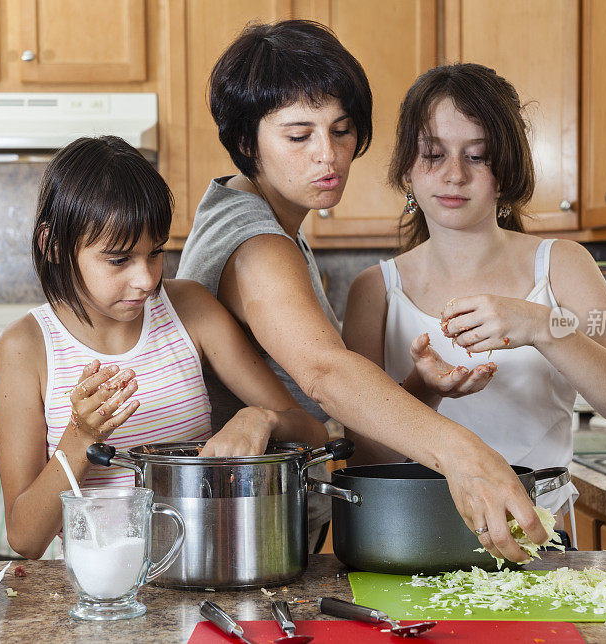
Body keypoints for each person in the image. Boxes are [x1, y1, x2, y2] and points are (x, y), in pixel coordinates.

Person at [176, 19, 547, 562]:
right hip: (243, 539)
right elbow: (325, 373)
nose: (327, 154)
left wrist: (418, 390)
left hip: (255, 530)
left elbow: (328, 416)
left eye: (342, 130)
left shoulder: (247, 213)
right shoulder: (257, 243)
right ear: (244, 141)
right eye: (299, 135)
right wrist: (463, 454)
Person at [341, 63, 606, 535]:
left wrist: (539, 326)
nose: (454, 176)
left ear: (507, 170)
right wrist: (425, 387)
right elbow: (365, 457)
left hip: (541, 534)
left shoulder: (563, 264)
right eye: (433, 153)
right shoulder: (374, 290)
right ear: (407, 168)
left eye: (478, 156)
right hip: (413, 534)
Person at [0, 136, 328, 560]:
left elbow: (312, 431)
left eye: (155, 253)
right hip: (96, 587)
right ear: (52, 245)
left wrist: (259, 418)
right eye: (118, 260)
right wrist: (82, 438)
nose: (147, 280)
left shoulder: (190, 310)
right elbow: (25, 538)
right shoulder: (25, 348)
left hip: (208, 565)